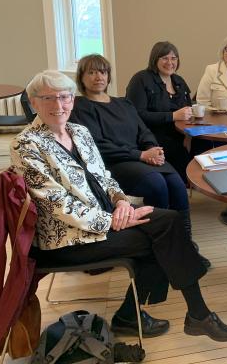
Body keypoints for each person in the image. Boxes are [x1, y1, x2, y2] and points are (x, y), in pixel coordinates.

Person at [11, 70, 227, 341]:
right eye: (48, 98)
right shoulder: (26, 144)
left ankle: (183, 315)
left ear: (73, 100)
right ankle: (168, 315)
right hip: (65, 241)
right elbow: (57, 205)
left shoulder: (79, 131)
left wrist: (121, 203)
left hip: (103, 220)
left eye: (64, 97)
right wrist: (113, 220)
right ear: (34, 102)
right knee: (161, 235)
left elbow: (105, 175)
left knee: (168, 221)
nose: (58, 105)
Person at [71, 54, 210, 268]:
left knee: (177, 185)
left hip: (142, 157)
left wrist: (152, 148)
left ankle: (184, 244)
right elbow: (97, 145)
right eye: (91, 72)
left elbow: (143, 130)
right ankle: (160, 246)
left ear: (108, 77)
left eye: (102, 71)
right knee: (157, 185)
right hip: (114, 163)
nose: (98, 76)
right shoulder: (80, 107)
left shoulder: (123, 103)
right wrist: (140, 155)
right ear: (82, 77)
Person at [126, 41, 193, 182]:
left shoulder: (179, 81)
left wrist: (189, 135)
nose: (170, 62)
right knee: (180, 160)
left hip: (180, 136)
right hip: (152, 138)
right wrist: (172, 116)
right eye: (165, 58)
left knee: (204, 147)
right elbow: (137, 115)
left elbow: (189, 110)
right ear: (155, 59)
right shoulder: (141, 79)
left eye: (174, 58)